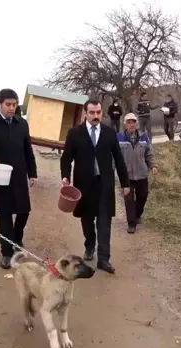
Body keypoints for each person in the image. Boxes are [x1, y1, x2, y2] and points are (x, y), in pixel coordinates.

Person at [60, 99, 130, 274]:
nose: (96, 115)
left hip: (104, 185)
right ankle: (90, 244)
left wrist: (125, 183)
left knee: (104, 222)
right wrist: (65, 177)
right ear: (85, 113)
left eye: (98, 112)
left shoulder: (109, 133)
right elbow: (66, 158)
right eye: (92, 112)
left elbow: (119, 159)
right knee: (87, 220)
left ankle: (104, 259)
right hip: (84, 185)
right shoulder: (75, 133)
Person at [0, 89, 37, 269]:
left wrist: (32, 173)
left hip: (19, 173)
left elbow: (28, 150)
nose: (12, 108)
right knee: (4, 213)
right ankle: (6, 252)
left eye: (14, 104)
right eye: (8, 105)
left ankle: (16, 238)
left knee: (23, 210)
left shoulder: (22, 124)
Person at [117, 113, 157, 234]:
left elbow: (149, 154)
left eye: (133, 122)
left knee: (143, 197)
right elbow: (114, 156)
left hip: (141, 174)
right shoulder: (118, 138)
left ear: (137, 124)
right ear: (125, 124)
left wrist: (153, 165)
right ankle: (131, 224)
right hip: (126, 176)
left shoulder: (144, 137)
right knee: (128, 200)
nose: (131, 124)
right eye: (129, 122)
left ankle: (137, 215)